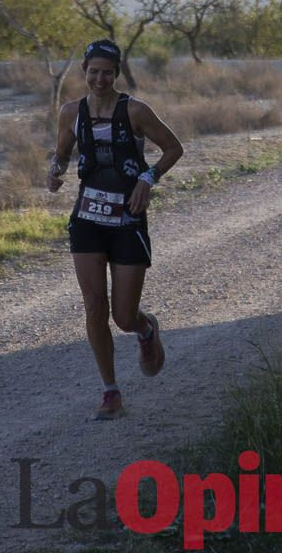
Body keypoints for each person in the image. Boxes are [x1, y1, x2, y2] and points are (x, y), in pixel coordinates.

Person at [47, 40, 184, 420]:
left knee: (123, 316)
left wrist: (147, 178)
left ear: (117, 73)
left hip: (127, 219)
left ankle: (145, 330)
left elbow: (173, 148)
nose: (100, 79)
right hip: (88, 219)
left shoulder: (136, 111)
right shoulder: (71, 112)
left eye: (107, 72)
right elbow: (61, 152)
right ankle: (110, 391)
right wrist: (55, 172)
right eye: (93, 71)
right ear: (84, 72)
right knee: (94, 304)